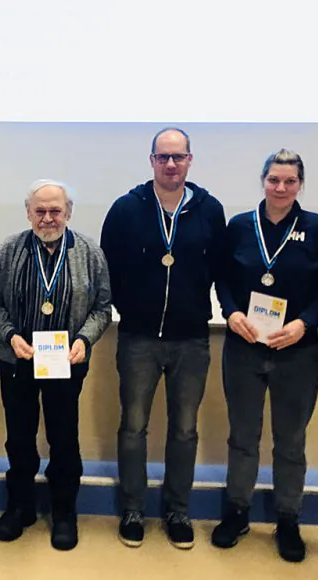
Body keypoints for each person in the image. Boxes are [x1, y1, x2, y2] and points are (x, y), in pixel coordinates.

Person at [99, 127, 226, 549]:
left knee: (185, 430)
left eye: (178, 156)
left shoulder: (210, 210)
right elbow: (108, 268)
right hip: (139, 337)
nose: (171, 164)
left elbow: (219, 268)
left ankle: (177, 511)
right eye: (162, 157)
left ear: (190, 159)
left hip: (191, 339)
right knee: (133, 427)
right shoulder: (126, 209)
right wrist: (131, 307)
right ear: (151, 160)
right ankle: (133, 508)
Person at [210, 149, 318, 562]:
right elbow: (222, 279)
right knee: (242, 437)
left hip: (297, 351)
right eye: (274, 180)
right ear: (263, 181)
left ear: (300, 184)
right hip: (244, 348)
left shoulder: (317, 228)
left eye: (290, 181)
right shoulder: (240, 226)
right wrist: (232, 313)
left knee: (291, 441)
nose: (281, 188)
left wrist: (304, 323)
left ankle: (288, 519)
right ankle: (237, 511)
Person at [0, 179, 111, 551]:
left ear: (68, 213)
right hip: (17, 359)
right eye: (40, 211)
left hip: (66, 363)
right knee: (19, 437)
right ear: (28, 213)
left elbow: (103, 308)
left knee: (64, 438)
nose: (48, 218)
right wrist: (10, 335)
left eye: (56, 210)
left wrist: (84, 339)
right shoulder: (9, 249)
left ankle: (64, 512)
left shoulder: (89, 252)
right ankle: (19, 507)